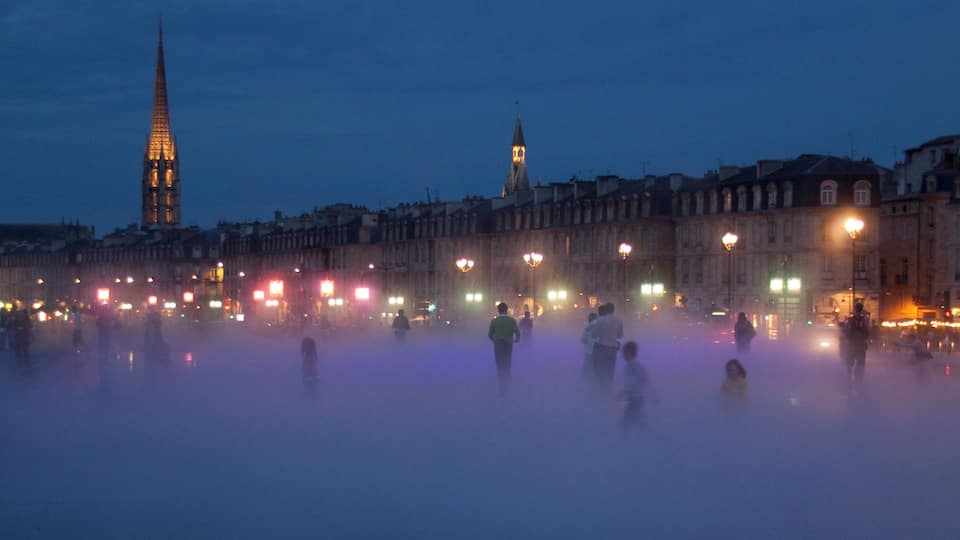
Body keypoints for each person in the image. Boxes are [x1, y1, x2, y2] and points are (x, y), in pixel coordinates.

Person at [488, 302, 520, 394]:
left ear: (498, 311)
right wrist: (517, 339)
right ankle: (507, 384)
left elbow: (490, 335)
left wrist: (495, 340)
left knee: (499, 364)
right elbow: (517, 332)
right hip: (508, 345)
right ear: (507, 310)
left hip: (498, 345)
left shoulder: (494, 321)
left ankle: (500, 385)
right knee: (507, 363)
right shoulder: (511, 320)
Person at [618, 341, 652, 429]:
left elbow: (630, 383)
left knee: (626, 424)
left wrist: (621, 393)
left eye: (623, 353)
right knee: (637, 421)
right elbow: (645, 380)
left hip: (633, 399)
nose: (622, 356)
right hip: (639, 398)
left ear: (628, 353)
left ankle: (623, 440)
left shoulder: (630, 366)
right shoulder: (639, 365)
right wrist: (653, 394)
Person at [591, 303, 623, 391]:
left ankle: (602, 388)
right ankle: (609, 388)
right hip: (613, 348)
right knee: (610, 370)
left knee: (601, 369)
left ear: (606, 310)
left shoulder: (601, 320)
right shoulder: (619, 320)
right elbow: (620, 335)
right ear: (614, 310)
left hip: (602, 347)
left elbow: (594, 334)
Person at [843, 302, 870, 387]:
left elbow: (846, 331)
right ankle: (858, 381)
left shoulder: (850, 319)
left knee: (849, 364)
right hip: (860, 345)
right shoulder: (864, 319)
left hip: (852, 344)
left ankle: (849, 380)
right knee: (860, 363)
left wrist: (848, 338)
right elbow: (868, 332)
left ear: (855, 308)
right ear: (861, 309)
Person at [580, 313, 599, 380]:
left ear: (589, 319)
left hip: (589, 352)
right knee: (597, 371)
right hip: (599, 353)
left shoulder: (587, 327)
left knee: (586, 372)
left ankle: (586, 386)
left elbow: (582, 340)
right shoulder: (600, 327)